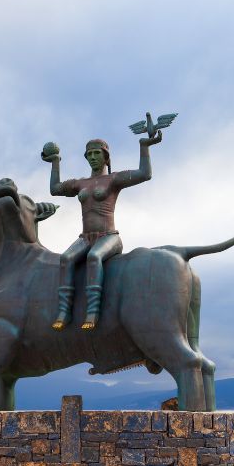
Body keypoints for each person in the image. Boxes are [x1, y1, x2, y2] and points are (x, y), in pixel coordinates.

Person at [41, 130, 161, 329]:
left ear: (106, 157)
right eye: (89, 154)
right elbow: (55, 189)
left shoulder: (113, 179)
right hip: (86, 238)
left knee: (94, 257)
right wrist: (55, 162)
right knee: (66, 258)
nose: (93, 157)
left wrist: (144, 147)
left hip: (109, 237)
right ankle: (64, 311)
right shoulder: (81, 183)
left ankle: (92, 312)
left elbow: (145, 174)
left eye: (97, 153)